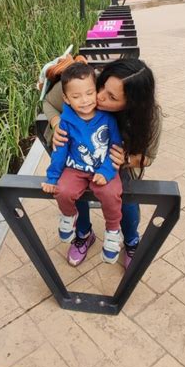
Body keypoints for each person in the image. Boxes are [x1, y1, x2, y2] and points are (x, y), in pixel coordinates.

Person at [43, 58, 162, 269]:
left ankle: (131, 240)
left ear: (131, 103)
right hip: (77, 154)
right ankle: (83, 234)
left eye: (112, 97)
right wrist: (55, 123)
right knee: (73, 190)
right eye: (103, 87)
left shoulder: (148, 117)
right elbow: (49, 103)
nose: (98, 97)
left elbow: (149, 157)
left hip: (118, 164)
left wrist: (127, 159)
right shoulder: (86, 86)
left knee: (124, 197)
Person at [41, 63, 124, 263]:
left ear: (97, 90)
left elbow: (115, 145)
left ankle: (113, 229)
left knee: (110, 192)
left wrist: (106, 170)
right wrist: (52, 177)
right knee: (63, 190)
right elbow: (60, 151)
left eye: (89, 93)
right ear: (66, 99)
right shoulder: (66, 121)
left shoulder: (108, 118)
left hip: (103, 166)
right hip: (75, 168)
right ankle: (70, 216)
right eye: (76, 97)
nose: (85, 101)